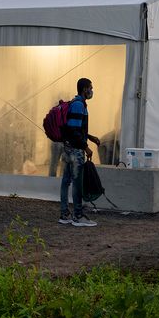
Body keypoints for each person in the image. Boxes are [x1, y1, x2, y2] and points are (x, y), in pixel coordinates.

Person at [60, 78, 101, 227]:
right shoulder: (79, 105)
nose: (92, 91)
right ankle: (77, 215)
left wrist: (91, 137)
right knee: (77, 182)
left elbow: (76, 129)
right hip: (75, 150)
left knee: (66, 180)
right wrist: (86, 147)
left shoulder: (76, 104)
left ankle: (64, 214)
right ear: (84, 89)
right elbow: (74, 130)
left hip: (69, 147)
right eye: (91, 87)